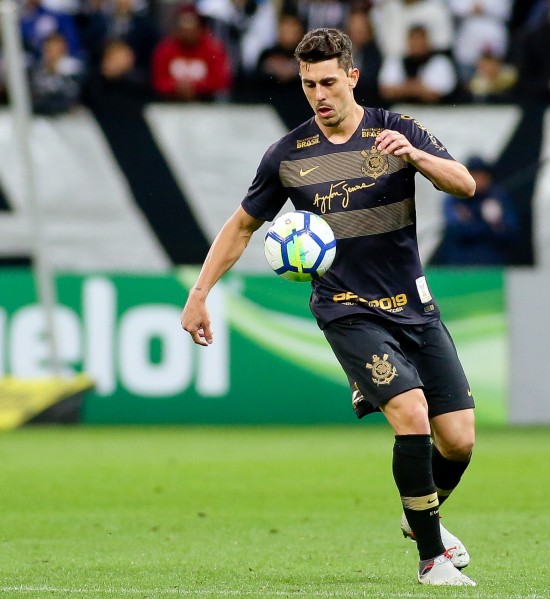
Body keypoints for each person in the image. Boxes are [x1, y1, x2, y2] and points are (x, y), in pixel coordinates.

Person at [180, 28, 478, 587]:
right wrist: (199, 295)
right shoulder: (288, 156)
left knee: (458, 439)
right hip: (347, 309)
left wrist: (414, 156)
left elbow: (464, 184)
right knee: (410, 413)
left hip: (414, 305)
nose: (319, 94)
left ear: (352, 78)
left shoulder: (396, 130)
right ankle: (433, 558)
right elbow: (242, 226)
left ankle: (422, 518)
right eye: (307, 84)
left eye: (328, 82)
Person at [433, 156, 520, 265]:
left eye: (482, 175)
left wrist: (493, 223)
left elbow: (511, 232)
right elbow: (455, 230)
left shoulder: (498, 197)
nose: (478, 180)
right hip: (460, 266)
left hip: (493, 265)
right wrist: (489, 226)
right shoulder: (454, 197)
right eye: (473, 175)